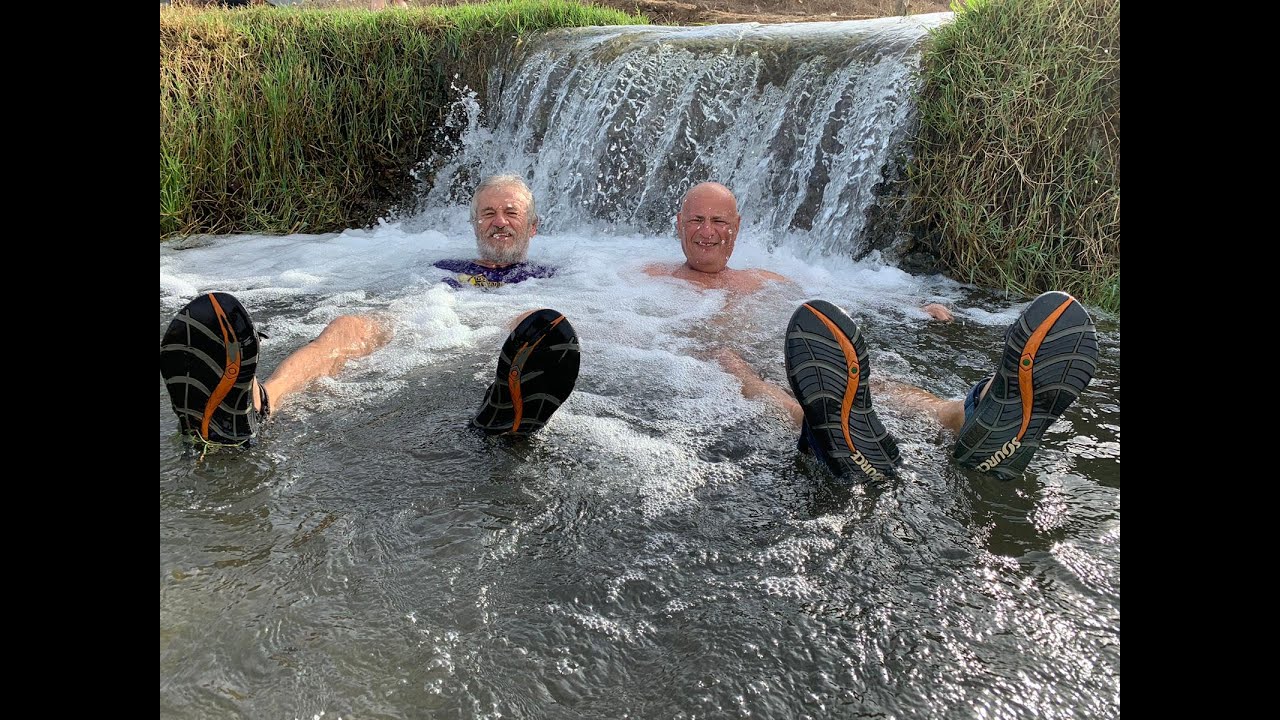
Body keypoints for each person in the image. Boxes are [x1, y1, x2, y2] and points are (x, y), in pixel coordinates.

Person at [648, 182, 1098, 482]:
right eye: (696, 220)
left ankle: (964, 418)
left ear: (737, 227)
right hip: (713, 357)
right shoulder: (646, 277)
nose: (708, 231)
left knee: (866, 381)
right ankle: (824, 432)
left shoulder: (766, 278)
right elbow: (619, 328)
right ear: (679, 224)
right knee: (741, 374)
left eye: (719, 221)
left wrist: (911, 303)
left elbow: (842, 292)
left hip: (793, 354)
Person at [159, 175, 579, 452]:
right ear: (474, 224)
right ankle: (258, 403)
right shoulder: (441, 267)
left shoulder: (561, 276)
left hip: (495, 325)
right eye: (488, 213)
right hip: (431, 314)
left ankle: (504, 409)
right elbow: (399, 295)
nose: (499, 222)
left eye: (511, 213)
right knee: (349, 325)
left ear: (532, 226)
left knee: (535, 323)